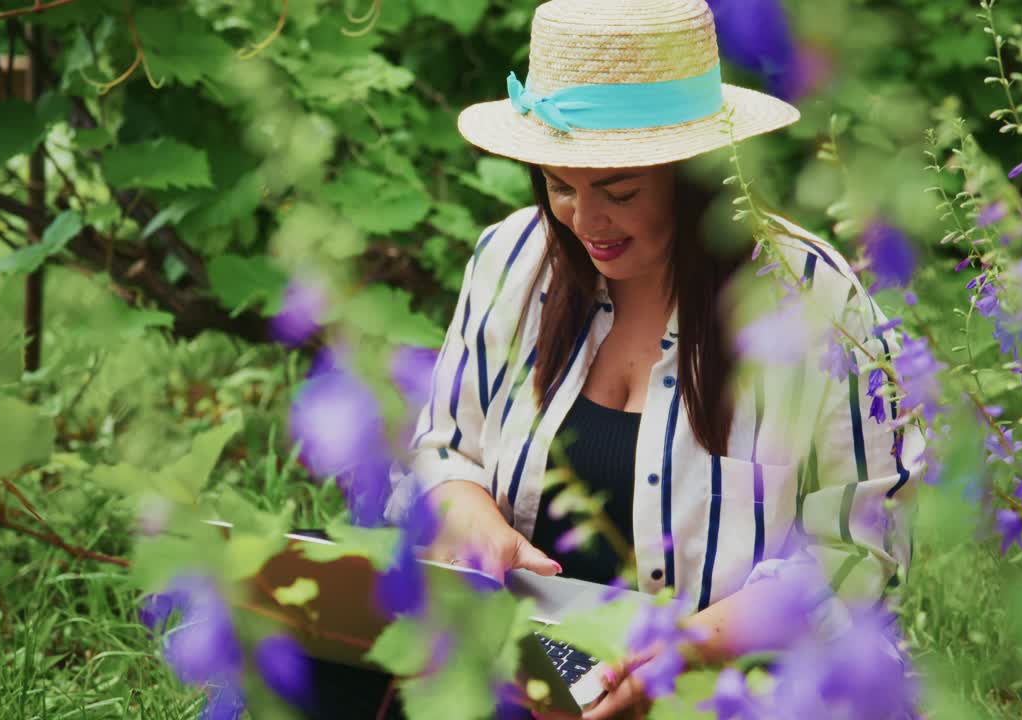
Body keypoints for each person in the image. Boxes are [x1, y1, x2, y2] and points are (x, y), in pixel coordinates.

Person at [326, 1, 926, 718]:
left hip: (735, 684)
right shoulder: (509, 260)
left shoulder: (810, 298)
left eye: (618, 191)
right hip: (524, 668)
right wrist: (473, 519)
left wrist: (689, 645)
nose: (585, 221)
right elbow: (447, 451)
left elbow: (860, 553)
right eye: (558, 185)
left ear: (695, 173)